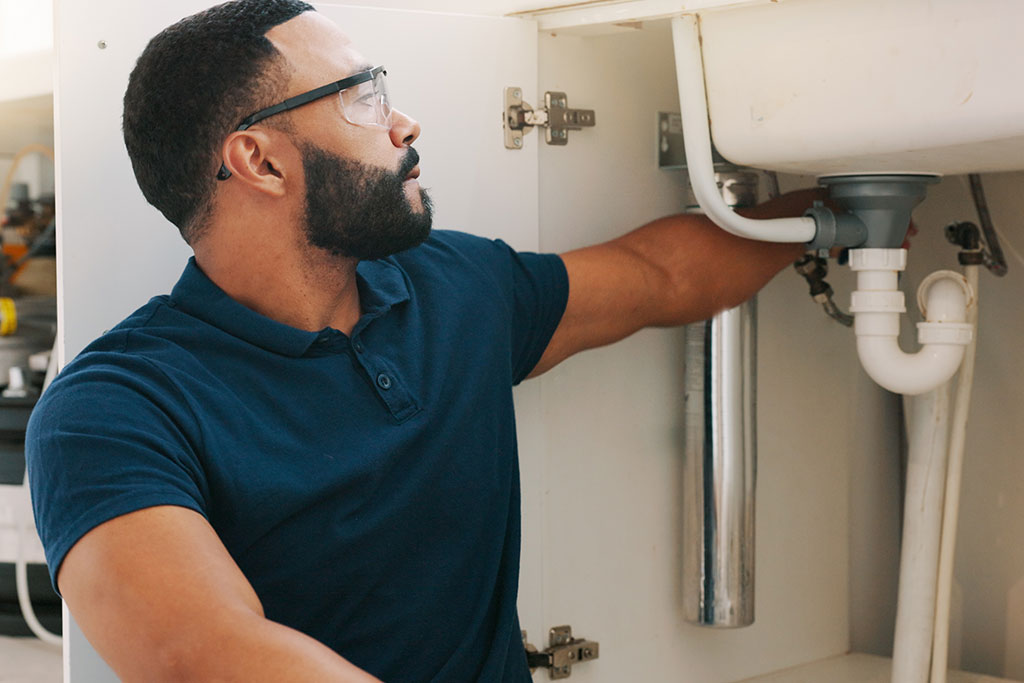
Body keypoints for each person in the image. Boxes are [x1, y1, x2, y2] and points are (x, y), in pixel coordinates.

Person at [26, 1, 815, 680]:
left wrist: (834, 215)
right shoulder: (112, 410)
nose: (403, 122)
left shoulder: (452, 285)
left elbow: (656, 275)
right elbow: (201, 654)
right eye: (362, 97)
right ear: (259, 160)